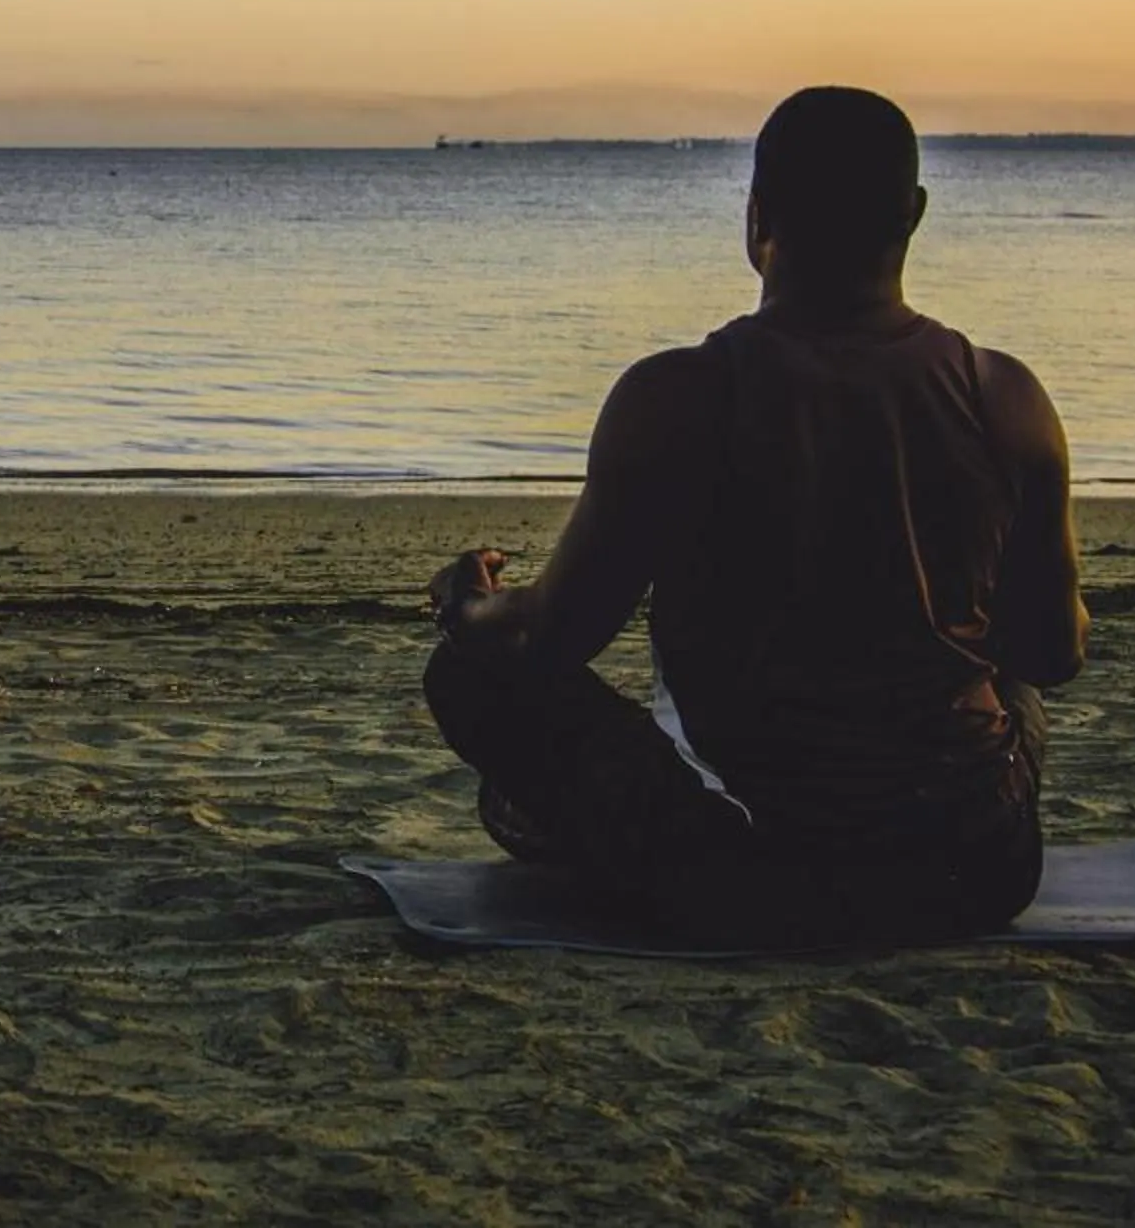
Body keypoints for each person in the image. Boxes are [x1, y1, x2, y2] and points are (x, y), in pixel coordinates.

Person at [421, 86, 1088, 948]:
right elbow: (1054, 653)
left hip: (745, 867)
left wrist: (467, 604)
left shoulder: (676, 397)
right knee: (1014, 686)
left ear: (757, 217)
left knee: (468, 676)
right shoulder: (1006, 398)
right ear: (914, 216)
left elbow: (552, 637)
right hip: (978, 868)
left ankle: (595, 845)